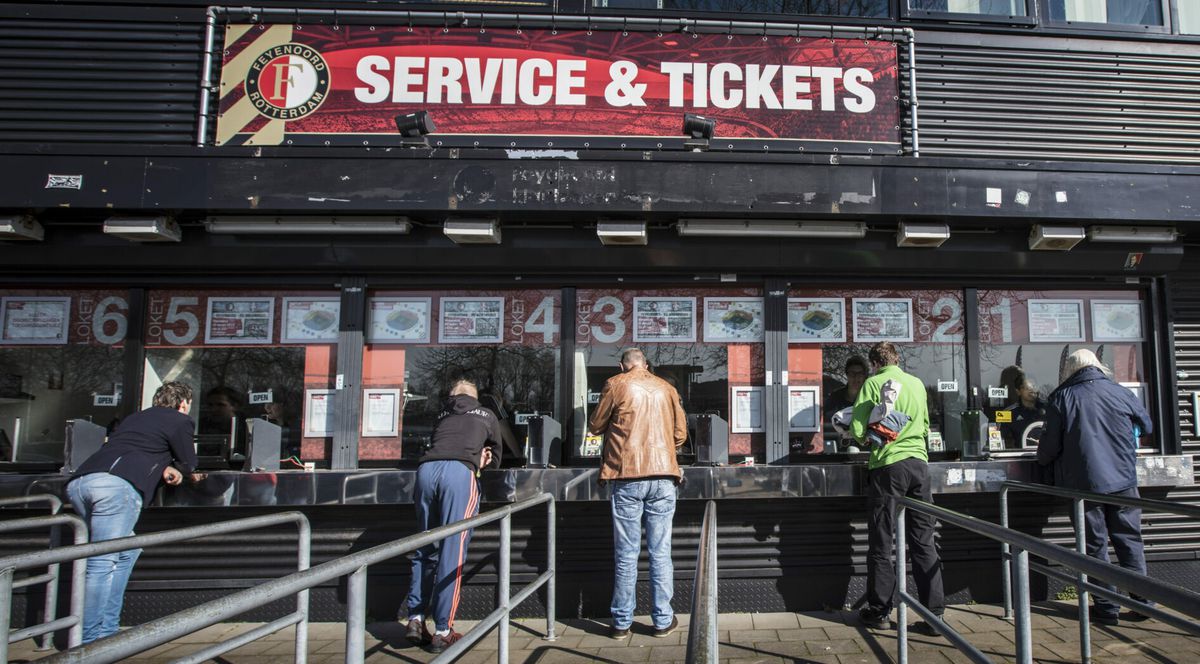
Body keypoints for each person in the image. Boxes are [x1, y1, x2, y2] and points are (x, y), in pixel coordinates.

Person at [64, 381, 202, 643]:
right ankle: (91, 642)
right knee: (102, 561)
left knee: (127, 551)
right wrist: (176, 468)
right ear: (184, 403)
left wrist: (162, 466)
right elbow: (188, 462)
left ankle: (108, 630)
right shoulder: (179, 420)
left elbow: (134, 450)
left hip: (81, 483)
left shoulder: (135, 419)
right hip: (117, 489)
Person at [1036, 349, 1153, 626]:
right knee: (1130, 541)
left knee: (1094, 547)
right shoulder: (1120, 392)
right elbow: (1146, 425)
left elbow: (1047, 450)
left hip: (1084, 485)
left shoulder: (1062, 398)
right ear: (1098, 366)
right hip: (1124, 482)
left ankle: (1107, 608)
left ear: (1070, 370)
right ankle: (1144, 603)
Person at [588, 348, 688, 640]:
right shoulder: (667, 388)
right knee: (660, 552)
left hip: (627, 475)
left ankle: (621, 623)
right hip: (663, 476)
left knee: (627, 553)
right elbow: (680, 434)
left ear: (622, 366)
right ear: (646, 365)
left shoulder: (615, 383)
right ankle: (662, 620)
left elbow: (595, 425)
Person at [850, 342, 945, 634]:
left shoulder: (874, 383)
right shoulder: (917, 384)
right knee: (923, 539)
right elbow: (926, 424)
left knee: (882, 539)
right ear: (897, 359)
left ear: (875, 363)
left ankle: (879, 611)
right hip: (919, 465)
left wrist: (867, 438)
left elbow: (857, 430)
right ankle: (935, 615)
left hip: (888, 467)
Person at [403, 379, 501, 653]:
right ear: (475, 397)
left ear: (452, 397)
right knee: (453, 550)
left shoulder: (442, 415)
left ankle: (415, 618)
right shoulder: (486, 414)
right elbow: (497, 457)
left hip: (425, 472)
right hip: (459, 473)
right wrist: (484, 460)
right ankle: (443, 630)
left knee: (425, 547)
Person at [999, 374, 1046, 449]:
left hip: (1047, 457)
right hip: (1020, 458)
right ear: (1018, 391)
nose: (1032, 390)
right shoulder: (1007, 413)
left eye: (1034, 386)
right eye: (1027, 388)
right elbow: (999, 440)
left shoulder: (1049, 409)